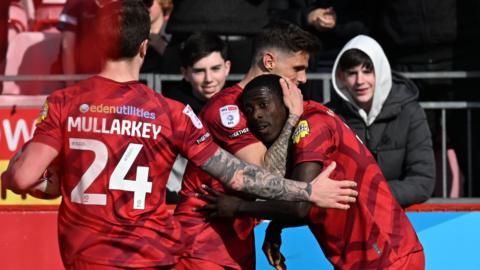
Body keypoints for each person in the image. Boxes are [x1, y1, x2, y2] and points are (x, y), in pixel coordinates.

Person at [0, 1, 357, 269]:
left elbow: (27, 178)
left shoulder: (66, 102)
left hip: (87, 257)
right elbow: (240, 174)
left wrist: (15, 173)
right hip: (152, 257)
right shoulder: (172, 112)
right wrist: (307, 190)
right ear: (144, 48)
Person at [198, 74, 425, 270]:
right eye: (250, 109)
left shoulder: (310, 127)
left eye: (264, 105)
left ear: (286, 102)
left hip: (388, 255)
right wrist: (278, 225)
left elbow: (299, 205)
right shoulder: (310, 122)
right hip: (368, 257)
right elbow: (315, 199)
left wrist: (237, 207)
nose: (256, 115)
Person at [173, 21, 339, 270]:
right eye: (297, 68)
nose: (303, 78)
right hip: (202, 243)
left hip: (234, 240)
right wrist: (293, 118)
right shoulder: (227, 109)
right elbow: (267, 173)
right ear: (269, 61)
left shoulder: (270, 109)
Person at [326, 35, 435, 207]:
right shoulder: (329, 116)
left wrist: (373, 195)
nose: (360, 81)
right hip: (346, 217)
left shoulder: (410, 112)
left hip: (397, 216)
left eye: (367, 71)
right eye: (352, 73)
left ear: (381, 71)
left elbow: (422, 181)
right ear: (340, 76)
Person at [163, 32, 231, 203]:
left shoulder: (243, 104)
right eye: (199, 71)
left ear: (227, 68)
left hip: (230, 201)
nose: (209, 79)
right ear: (185, 73)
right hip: (179, 200)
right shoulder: (169, 109)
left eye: (215, 69)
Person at [139, 0, 172, 74]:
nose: (143, 7)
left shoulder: (172, 32)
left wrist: (163, 48)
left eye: (148, 3)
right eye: (139, 4)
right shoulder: (132, 33)